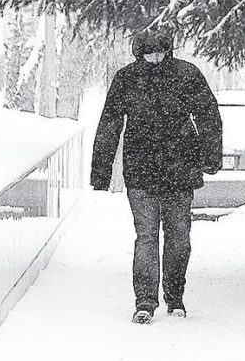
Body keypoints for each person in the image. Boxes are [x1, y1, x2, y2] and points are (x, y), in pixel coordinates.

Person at [90, 28, 223, 325]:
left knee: (179, 238)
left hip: (180, 170)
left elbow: (208, 116)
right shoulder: (126, 78)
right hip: (140, 172)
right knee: (147, 238)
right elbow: (110, 123)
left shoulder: (187, 74)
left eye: (161, 52)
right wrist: (101, 171)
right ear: (139, 53)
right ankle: (145, 302)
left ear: (169, 50)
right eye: (149, 53)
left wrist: (211, 158)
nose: (155, 58)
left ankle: (175, 297)